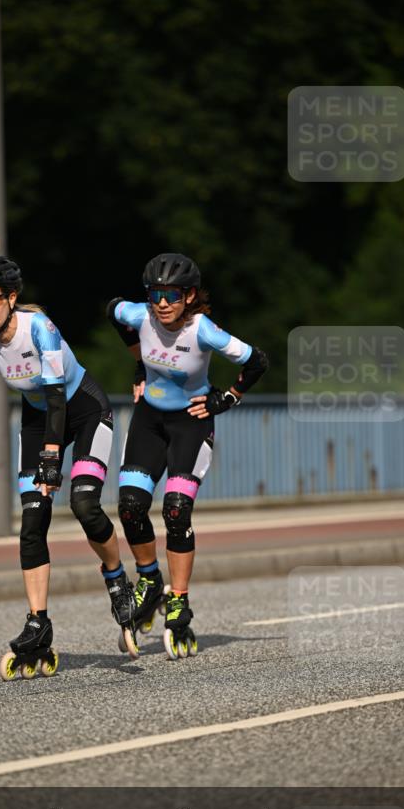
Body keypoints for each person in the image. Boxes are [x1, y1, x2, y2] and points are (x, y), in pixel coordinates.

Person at [0, 254, 136, 681]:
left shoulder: (40, 328)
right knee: (32, 520)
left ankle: (117, 580)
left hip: (84, 410)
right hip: (39, 420)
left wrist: (51, 457)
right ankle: (38, 622)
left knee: (84, 503)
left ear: (12, 298)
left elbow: (58, 395)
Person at [107, 252, 268, 660]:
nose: (162, 303)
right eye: (155, 294)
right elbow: (112, 310)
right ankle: (148, 578)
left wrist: (226, 398)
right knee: (129, 506)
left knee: (176, 509)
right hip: (148, 421)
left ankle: (178, 598)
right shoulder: (139, 314)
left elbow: (257, 361)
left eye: (172, 295)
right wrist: (140, 371)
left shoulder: (204, 331)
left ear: (189, 295)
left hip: (190, 424)